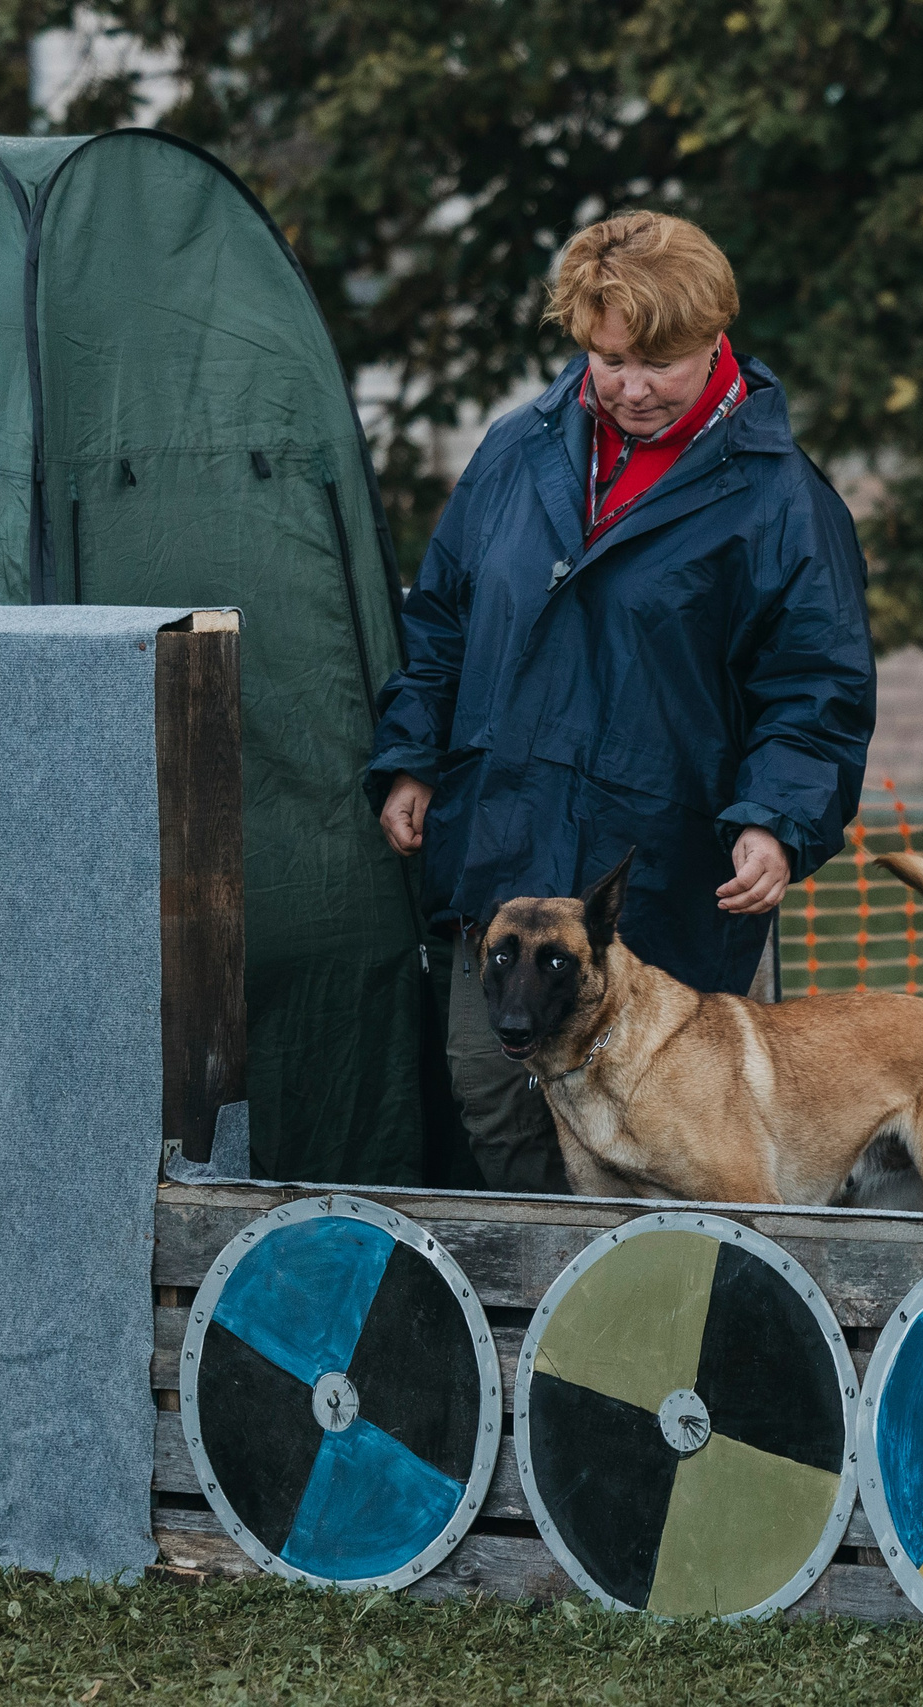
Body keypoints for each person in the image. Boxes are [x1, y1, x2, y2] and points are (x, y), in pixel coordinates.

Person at [367, 212, 876, 1191]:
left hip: (663, 878)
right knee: (490, 1092)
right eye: (608, 361)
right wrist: (411, 753)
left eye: (659, 364)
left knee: (677, 1147)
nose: (631, 388)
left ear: (713, 340)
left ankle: (672, 1339)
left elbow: (814, 688)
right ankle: (543, 1329)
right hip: (507, 846)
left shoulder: (780, 501)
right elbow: (438, 619)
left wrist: (775, 820)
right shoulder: (517, 451)